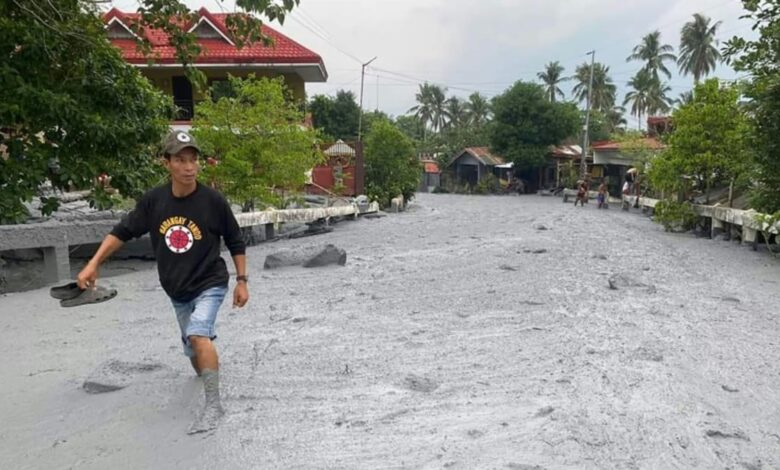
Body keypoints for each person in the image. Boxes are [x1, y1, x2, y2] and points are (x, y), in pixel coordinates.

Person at [76, 130, 249, 434]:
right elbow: (122, 231)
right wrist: (93, 263)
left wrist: (242, 281)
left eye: (193, 160)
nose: (188, 167)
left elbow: (235, 240)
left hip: (211, 281)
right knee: (194, 351)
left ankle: (213, 406)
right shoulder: (154, 202)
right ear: (166, 162)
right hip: (177, 289)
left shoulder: (213, 201)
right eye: (180, 160)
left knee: (197, 334)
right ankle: (204, 361)